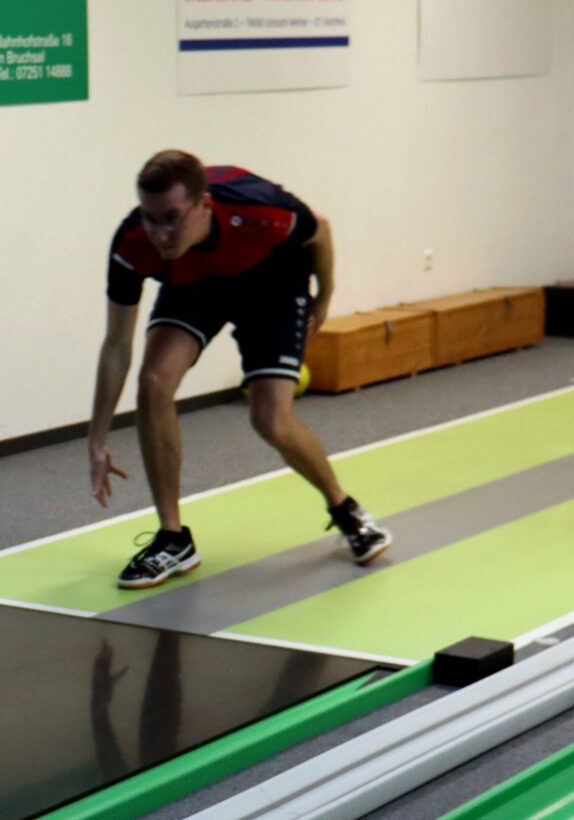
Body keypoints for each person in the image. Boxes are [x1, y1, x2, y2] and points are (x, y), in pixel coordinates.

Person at [89, 151, 390, 589]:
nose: (160, 233)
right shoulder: (132, 242)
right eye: (151, 218)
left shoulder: (259, 209)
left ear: (204, 204)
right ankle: (173, 539)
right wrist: (97, 439)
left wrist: (325, 297)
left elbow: (320, 229)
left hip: (271, 283)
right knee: (153, 382)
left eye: (172, 218)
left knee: (270, 419)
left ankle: (344, 507)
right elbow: (116, 346)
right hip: (194, 285)